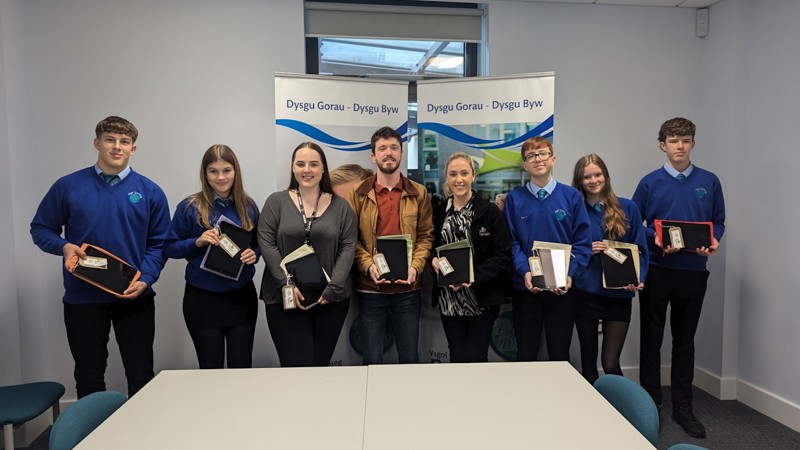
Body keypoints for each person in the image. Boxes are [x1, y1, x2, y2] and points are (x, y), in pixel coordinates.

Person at [30, 116, 170, 398]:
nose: (117, 147)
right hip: (83, 299)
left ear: (133, 149)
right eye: (110, 140)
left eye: (124, 142)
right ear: (97, 143)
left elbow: (159, 244)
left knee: (141, 373)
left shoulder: (150, 192)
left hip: (134, 297)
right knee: (88, 375)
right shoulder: (68, 186)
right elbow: (41, 228)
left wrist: (147, 278)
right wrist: (64, 246)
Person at [632, 117, 725, 439]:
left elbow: (719, 222)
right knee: (651, 341)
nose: (680, 146)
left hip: (693, 273)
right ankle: (650, 406)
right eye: (673, 140)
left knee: (685, 343)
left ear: (693, 143)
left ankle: (683, 407)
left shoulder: (709, 182)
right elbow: (635, 226)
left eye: (685, 140)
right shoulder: (649, 183)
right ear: (662, 145)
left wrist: (714, 241)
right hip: (657, 270)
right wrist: (653, 238)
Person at [259, 142, 357, 366]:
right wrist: (286, 283)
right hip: (285, 299)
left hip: (329, 299)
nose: (307, 170)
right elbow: (266, 242)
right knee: (295, 366)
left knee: (320, 365)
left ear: (323, 169)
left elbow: (348, 246)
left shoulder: (341, 207)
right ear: (293, 168)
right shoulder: (276, 202)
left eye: (314, 164)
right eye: (300, 164)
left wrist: (334, 288)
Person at [164, 145, 260, 369]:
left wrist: (253, 254)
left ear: (235, 171)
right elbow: (169, 247)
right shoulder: (190, 207)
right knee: (210, 369)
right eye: (213, 171)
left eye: (226, 170)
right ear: (204, 174)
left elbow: (259, 244)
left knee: (242, 367)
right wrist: (196, 242)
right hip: (202, 300)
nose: (221, 177)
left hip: (241, 299)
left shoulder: (248, 206)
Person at [345, 126, 434, 364]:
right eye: (382, 148)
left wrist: (415, 267)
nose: (389, 153)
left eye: (394, 148)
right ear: (373, 155)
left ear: (402, 153)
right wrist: (367, 266)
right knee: (372, 358)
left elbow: (426, 236)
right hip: (370, 288)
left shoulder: (419, 193)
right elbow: (350, 240)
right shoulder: (357, 193)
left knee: (409, 357)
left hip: (408, 289)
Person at [503, 137, 591, 362]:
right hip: (526, 288)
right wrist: (525, 271)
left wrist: (569, 274)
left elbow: (582, 244)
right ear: (524, 165)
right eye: (531, 156)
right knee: (525, 352)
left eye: (542, 154)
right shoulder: (514, 199)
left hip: (562, 290)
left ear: (553, 159)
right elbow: (511, 244)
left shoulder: (571, 197)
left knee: (559, 353)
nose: (537, 159)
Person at [571, 154, 648, 384]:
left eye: (597, 174)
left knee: (611, 363)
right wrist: (586, 250)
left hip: (619, 293)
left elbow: (641, 250)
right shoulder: (574, 209)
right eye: (587, 177)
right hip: (585, 293)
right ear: (579, 180)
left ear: (605, 176)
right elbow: (566, 249)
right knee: (588, 363)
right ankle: (591, 415)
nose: (593, 180)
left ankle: (621, 413)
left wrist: (638, 278)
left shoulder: (628, 207)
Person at [430, 152, 512, 362]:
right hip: (449, 299)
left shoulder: (489, 212)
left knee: (477, 357)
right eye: (453, 174)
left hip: (481, 298)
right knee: (456, 356)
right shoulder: (440, 212)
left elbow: (503, 255)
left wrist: (473, 276)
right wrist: (433, 261)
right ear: (446, 178)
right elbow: (432, 247)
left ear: (473, 176)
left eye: (464, 173)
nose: (459, 179)